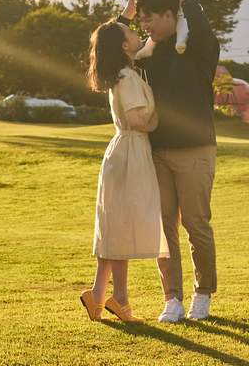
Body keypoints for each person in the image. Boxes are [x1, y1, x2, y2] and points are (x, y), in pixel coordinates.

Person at [119, 0, 220, 323]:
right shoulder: (148, 55)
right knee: (164, 227)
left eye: (150, 18)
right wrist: (126, 14)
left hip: (196, 149)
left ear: (169, 15)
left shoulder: (197, 48)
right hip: (158, 151)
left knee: (196, 224)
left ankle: (202, 294)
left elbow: (203, 29)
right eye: (141, 19)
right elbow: (110, 48)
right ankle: (172, 299)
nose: (144, 25)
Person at [80, 16, 169, 323]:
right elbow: (136, 120)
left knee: (115, 225)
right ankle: (119, 299)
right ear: (122, 45)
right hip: (131, 150)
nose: (136, 34)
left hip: (125, 151)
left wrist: (125, 16)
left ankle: (98, 294)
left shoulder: (123, 73)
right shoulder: (127, 77)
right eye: (131, 32)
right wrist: (161, 121)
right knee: (122, 225)